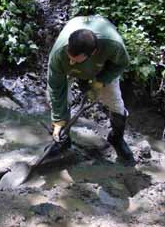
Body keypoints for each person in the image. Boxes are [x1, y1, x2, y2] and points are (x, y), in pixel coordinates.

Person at [47, 15, 133, 160]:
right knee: (60, 100)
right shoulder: (59, 55)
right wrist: (58, 121)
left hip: (102, 69)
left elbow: (121, 64)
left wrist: (101, 81)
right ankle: (62, 139)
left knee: (115, 103)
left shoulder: (113, 45)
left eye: (75, 60)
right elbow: (56, 88)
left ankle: (116, 138)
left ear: (93, 53)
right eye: (70, 57)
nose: (71, 62)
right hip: (66, 71)